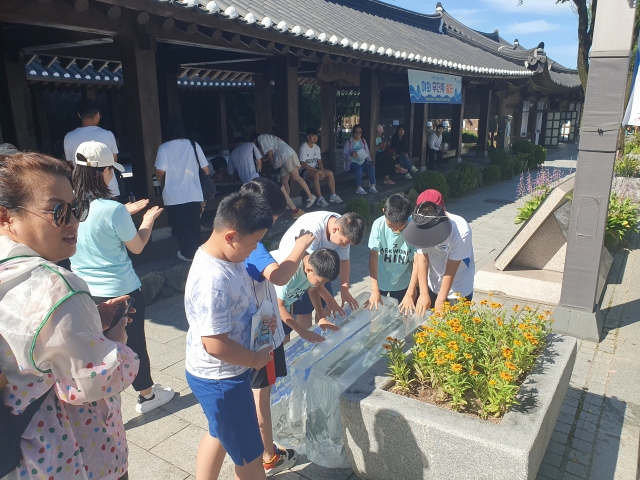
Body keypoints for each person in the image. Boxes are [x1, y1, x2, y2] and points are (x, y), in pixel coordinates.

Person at [0, 152, 139, 480]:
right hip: (71, 452)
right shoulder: (56, 285)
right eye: (58, 211)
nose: (74, 221)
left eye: (77, 209)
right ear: (6, 217)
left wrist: (86, 322)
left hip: (19, 450)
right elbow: (92, 380)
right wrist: (115, 342)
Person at [70, 141, 175, 414]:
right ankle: (147, 395)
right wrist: (148, 221)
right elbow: (137, 246)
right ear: (104, 172)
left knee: (97, 347)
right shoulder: (111, 209)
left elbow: (95, 223)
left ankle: (100, 399)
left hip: (85, 291)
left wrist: (123, 213)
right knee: (133, 342)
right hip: (121, 289)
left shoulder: (70, 204)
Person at [184, 191, 275, 480]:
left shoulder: (226, 258)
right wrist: (255, 359)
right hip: (221, 377)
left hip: (215, 373)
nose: (254, 249)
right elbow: (214, 344)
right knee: (250, 458)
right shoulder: (214, 280)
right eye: (251, 244)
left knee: (219, 432)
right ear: (230, 236)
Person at [240, 178, 314, 476]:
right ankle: (268, 455)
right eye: (274, 218)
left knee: (250, 392)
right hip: (259, 333)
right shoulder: (252, 244)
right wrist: (300, 246)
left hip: (242, 329)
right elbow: (279, 276)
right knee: (261, 392)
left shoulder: (229, 238)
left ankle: (262, 447)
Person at [275, 211, 365, 329]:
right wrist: (329, 298)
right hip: (295, 266)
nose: (344, 245)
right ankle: (307, 339)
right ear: (335, 230)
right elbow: (312, 272)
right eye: (344, 242)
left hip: (320, 266)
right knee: (305, 311)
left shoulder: (345, 228)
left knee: (327, 307)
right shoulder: (313, 231)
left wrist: (344, 289)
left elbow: (344, 260)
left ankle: (321, 334)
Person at [404, 189, 475, 315]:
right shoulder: (420, 224)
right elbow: (422, 259)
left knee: (455, 329)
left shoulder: (461, 230)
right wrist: (424, 293)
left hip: (458, 288)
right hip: (433, 283)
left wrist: (441, 300)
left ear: (443, 209)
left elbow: (451, 269)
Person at [155, 117, 210, 262]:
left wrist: (160, 179)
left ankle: (187, 253)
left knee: (181, 227)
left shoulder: (164, 148)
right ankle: (197, 254)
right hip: (193, 192)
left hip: (173, 195)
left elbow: (159, 171)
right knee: (194, 224)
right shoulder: (193, 145)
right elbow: (205, 169)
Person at [366, 194, 418, 315]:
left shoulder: (414, 227)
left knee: (403, 315)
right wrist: (374, 289)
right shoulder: (378, 225)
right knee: (376, 314)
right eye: (391, 227)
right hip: (381, 280)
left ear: (408, 216)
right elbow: (373, 258)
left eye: (400, 228)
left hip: (403, 281)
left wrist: (411, 291)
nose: (396, 231)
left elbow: (418, 262)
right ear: (384, 212)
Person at [274, 248, 341, 339]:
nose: (322, 285)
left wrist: (321, 317)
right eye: (321, 282)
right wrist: (302, 331)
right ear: (309, 270)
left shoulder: (313, 264)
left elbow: (313, 290)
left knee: (284, 336)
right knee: (275, 342)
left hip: (284, 305)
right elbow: (278, 306)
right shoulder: (291, 271)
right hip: (265, 303)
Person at [64, 98, 122, 198]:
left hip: (83, 188)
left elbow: (71, 163)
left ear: (79, 115)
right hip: (109, 187)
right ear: (98, 115)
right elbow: (114, 160)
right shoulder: (108, 134)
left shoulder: (69, 136)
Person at [255, 134, 317, 209]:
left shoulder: (261, 138)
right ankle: (287, 203)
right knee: (284, 182)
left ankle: (310, 196)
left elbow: (269, 151)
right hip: (284, 157)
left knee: (296, 177)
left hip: (287, 155)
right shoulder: (269, 137)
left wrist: (271, 162)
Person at [298, 128, 343, 207]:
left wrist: (321, 170)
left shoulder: (317, 147)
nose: (315, 138)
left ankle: (333, 195)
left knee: (330, 173)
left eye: (316, 136)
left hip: (315, 168)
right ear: (308, 137)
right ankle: (320, 198)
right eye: (313, 136)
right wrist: (317, 170)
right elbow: (303, 164)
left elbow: (319, 161)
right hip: (304, 170)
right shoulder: (303, 147)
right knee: (316, 175)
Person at [342, 124, 378, 195]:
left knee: (371, 167)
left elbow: (367, 153)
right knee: (359, 168)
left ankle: (372, 186)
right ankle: (358, 187)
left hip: (362, 161)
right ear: (353, 132)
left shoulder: (363, 141)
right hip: (352, 163)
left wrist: (369, 161)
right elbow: (344, 156)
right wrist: (351, 154)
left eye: (359, 132)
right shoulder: (349, 142)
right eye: (356, 132)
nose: (357, 134)